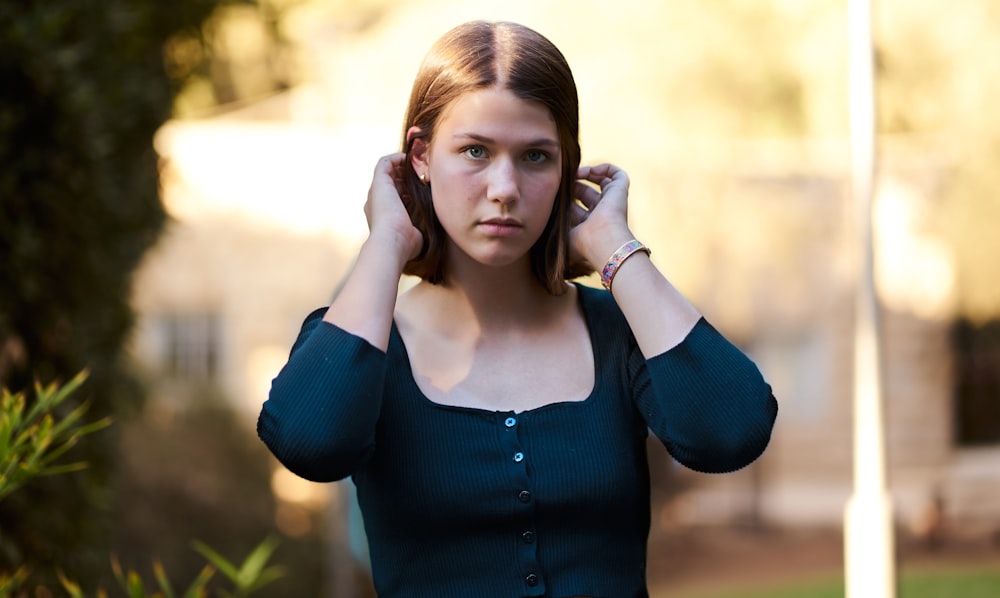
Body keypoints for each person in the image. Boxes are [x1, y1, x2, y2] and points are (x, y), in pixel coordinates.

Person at [258, 20, 778, 598]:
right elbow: (311, 444)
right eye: (474, 151)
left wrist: (616, 249)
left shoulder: (618, 332)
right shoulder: (366, 342)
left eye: (535, 156)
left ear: (565, 171)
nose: (504, 187)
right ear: (421, 156)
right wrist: (386, 242)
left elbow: (734, 432)